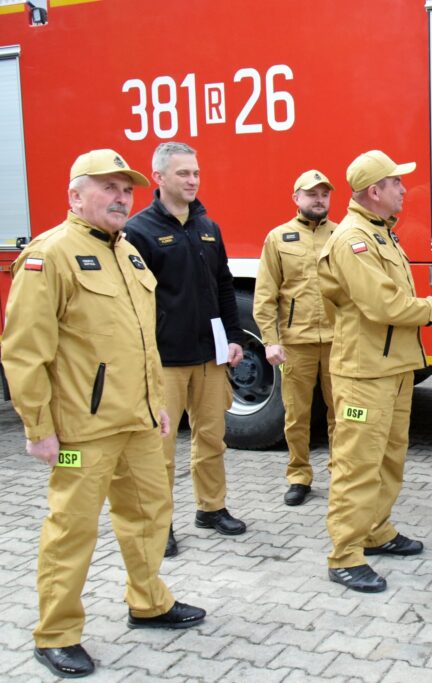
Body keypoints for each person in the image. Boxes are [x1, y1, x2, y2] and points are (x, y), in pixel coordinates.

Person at [3, 149, 206, 679]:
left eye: (127, 190)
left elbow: (143, 343)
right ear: (75, 195)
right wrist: (38, 428)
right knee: (72, 530)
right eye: (108, 188)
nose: (122, 198)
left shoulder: (130, 253)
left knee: (148, 518)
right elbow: (24, 351)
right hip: (81, 429)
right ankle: (56, 634)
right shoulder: (51, 256)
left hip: (137, 422)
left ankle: (149, 602)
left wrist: (156, 406)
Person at [318, 150, 432, 593]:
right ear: (375, 191)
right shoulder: (353, 239)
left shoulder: (380, 233)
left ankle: (376, 530)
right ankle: (345, 555)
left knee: (390, 457)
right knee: (357, 465)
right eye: (396, 183)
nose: (402, 190)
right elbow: (383, 305)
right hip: (365, 374)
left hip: (393, 368)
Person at [125, 142, 247, 558]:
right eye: (183, 174)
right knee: (159, 450)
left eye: (196, 172)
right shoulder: (137, 232)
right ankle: (161, 525)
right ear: (158, 178)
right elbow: (132, 302)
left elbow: (225, 285)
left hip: (210, 356)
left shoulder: (207, 226)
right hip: (165, 361)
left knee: (211, 438)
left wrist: (233, 336)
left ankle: (211, 509)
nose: (193, 180)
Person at [254, 169, 338, 506]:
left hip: (338, 342)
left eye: (324, 194)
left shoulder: (343, 234)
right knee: (296, 415)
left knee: (343, 414)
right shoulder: (278, 238)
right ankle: (299, 475)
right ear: (296, 198)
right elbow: (265, 294)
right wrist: (269, 340)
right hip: (296, 345)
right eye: (311, 193)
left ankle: (340, 474)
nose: (319, 199)